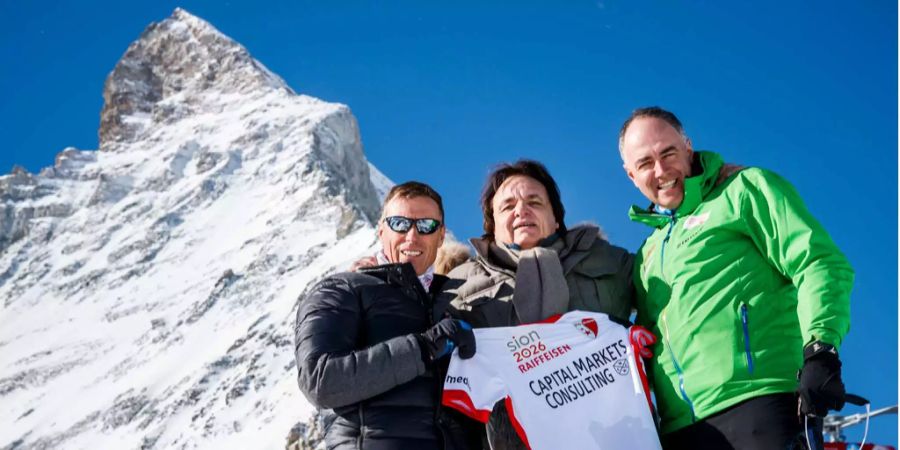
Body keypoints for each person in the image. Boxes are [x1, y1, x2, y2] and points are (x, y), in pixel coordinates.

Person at [619, 106, 853, 450]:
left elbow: (817, 261)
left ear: (688, 147)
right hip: (681, 430)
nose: (661, 169)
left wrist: (821, 349)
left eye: (668, 153)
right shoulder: (647, 255)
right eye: (645, 163)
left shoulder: (743, 190)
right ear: (630, 175)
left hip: (760, 403)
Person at [445, 160, 634, 449]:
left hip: (610, 433)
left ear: (556, 218)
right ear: (492, 226)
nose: (521, 210)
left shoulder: (609, 261)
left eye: (534, 201)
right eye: (508, 206)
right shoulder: (456, 285)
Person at [294, 181, 478, 450]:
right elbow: (320, 380)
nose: (412, 236)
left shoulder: (458, 299)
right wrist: (424, 347)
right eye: (399, 224)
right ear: (381, 230)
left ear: (441, 236)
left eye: (426, 226)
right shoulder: (343, 289)